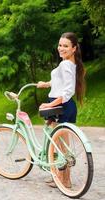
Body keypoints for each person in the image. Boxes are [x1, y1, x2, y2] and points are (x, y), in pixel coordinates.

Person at [37, 32, 86, 187]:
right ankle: (62, 178)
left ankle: (64, 180)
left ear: (74, 48)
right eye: (60, 45)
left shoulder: (66, 64)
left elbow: (67, 91)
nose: (61, 48)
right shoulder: (69, 63)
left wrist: (49, 105)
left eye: (65, 46)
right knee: (61, 145)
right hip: (65, 106)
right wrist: (46, 83)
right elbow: (60, 82)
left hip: (60, 107)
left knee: (60, 145)